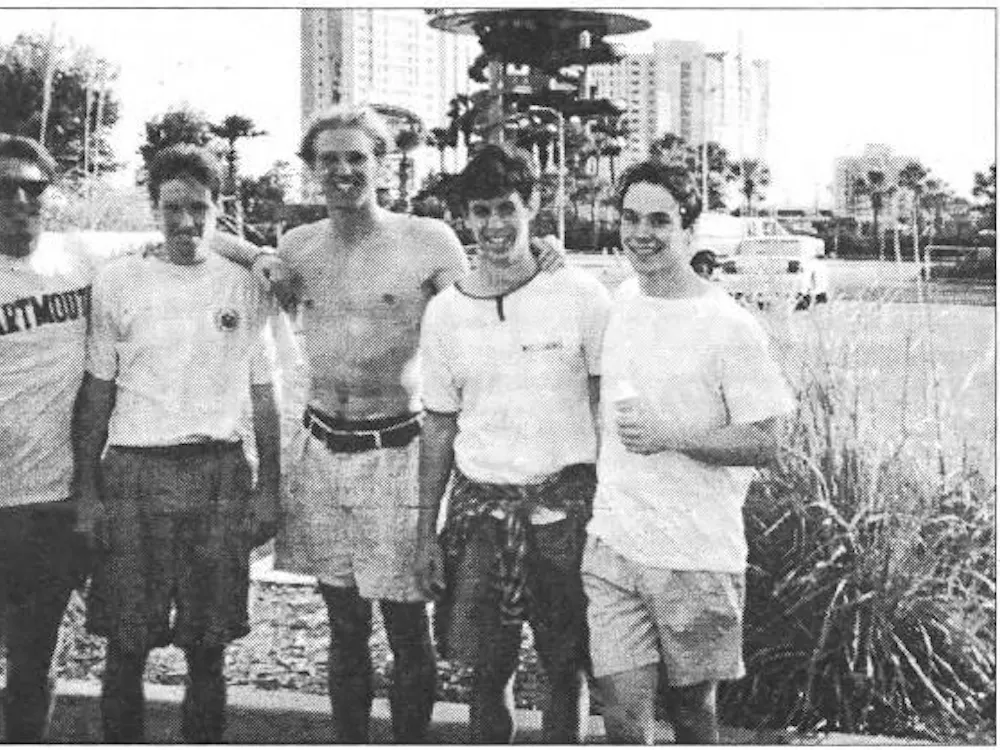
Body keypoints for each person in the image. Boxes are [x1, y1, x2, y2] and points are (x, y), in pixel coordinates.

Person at [271, 105, 564, 744]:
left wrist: (545, 256)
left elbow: (487, 302)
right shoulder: (298, 247)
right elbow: (223, 253)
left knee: (407, 629)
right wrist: (234, 247)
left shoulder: (426, 240)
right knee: (342, 623)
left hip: (397, 450)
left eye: (358, 158)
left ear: (384, 164)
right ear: (312, 170)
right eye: (329, 159)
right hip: (322, 449)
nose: (344, 171)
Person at [581, 160, 794, 744]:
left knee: (693, 717)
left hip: (696, 556)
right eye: (629, 218)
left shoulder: (727, 325)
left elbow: (767, 440)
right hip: (615, 546)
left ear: (690, 230)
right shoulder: (618, 302)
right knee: (623, 718)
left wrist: (672, 436)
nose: (641, 233)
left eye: (659, 220)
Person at [73, 144, 280, 743]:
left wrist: (268, 489)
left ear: (219, 208)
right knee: (127, 645)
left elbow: (264, 395)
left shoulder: (244, 284)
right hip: (135, 473)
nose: (186, 223)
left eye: (200, 208)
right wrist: (88, 490)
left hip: (218, 472)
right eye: (172, 209)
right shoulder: (118, 280)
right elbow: (98, 392)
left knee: (207, 648)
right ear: (153, 206)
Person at [418, 144, 610, 743]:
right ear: (465, 218)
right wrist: (427, 531)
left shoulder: (581, 295)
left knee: (564, 668)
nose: (495, 225)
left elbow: (606, 405)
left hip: (566, 512)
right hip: (480, 513)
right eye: (481, 211)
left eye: (507, 208)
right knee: (486, 674)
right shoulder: (446, 312)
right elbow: (439, 426)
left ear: (532, 207)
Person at [0, 133, 92, 742]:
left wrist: (262, 257)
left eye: (33, 186)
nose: (19, 198)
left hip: (50, 501)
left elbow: (189, 225)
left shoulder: (81, 257)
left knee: (33, 661)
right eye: (4, 186)